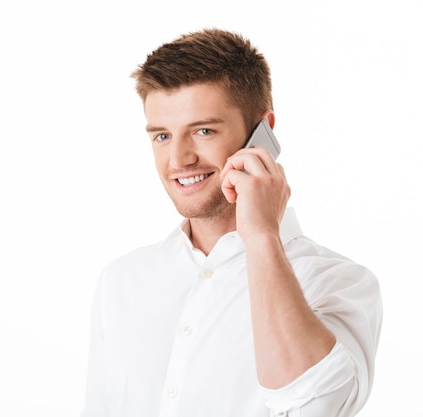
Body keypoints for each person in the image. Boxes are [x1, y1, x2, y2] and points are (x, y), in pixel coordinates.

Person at [81, 28, 382, 417]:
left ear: (263, 133)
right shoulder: (121, 281)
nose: (178, 159)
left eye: (203, 131)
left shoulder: (338, 282)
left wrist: (260, 236)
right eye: (161, 136)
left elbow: (316, 405)